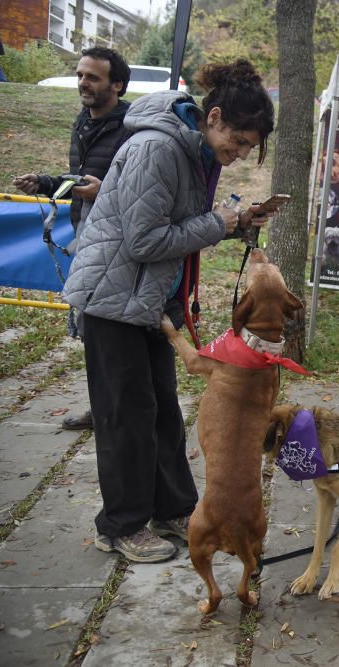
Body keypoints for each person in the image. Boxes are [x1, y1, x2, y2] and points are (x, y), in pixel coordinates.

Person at [62, 59, 276, 563]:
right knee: (125, 416)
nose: (240, 153)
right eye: (239, 141)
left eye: (247, 147)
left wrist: (235, 220)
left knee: (161, 411)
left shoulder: (198, 151)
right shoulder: (157, 147)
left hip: (152, 302)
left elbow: (183, 223)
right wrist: (217, 224)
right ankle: (120, 525)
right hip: (113, 299)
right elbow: (143, 240)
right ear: (215, 116)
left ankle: (173, 509)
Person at [13, 47, 133, 431]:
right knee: (91, 329)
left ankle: (117, 412)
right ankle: (103, 409)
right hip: (87, 237)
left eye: (92, 77)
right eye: (81, 74)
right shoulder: (83, 121)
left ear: (116, 84)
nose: (83, 82)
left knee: (110, 332)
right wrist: (46, 183)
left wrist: (105, 193)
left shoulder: (132, 127)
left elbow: (140, 190)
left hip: (119, 245)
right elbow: (79, 179)